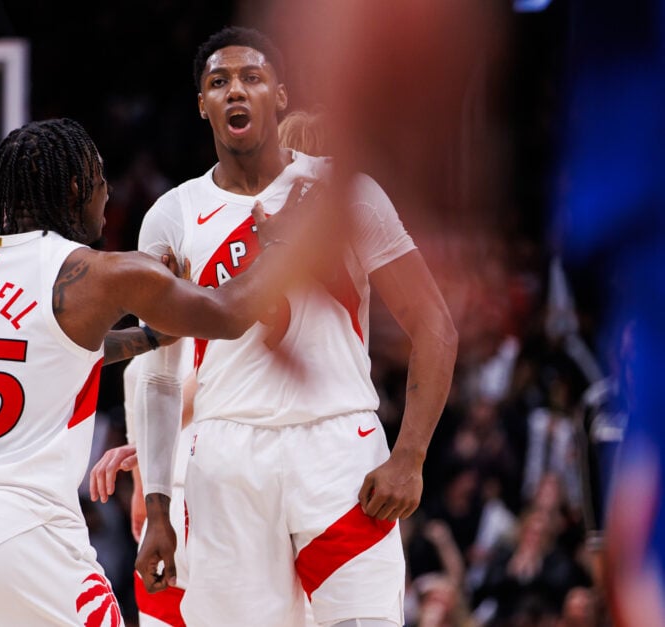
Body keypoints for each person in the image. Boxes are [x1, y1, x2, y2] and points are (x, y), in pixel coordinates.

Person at [0, 117, 325, 626]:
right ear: (75, 189)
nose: (107, 194)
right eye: (101, 179)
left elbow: (36, 350)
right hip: (15, 535)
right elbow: (228, 314)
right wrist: (285, 246)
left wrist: (148, 338)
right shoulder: (96, 273)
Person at [130, 27, 457, 627]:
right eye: (218, 82)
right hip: (225, 455)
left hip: (338, 449)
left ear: (280, 96)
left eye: (252, 78)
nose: (236, 92)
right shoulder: (172, 214)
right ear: (201, 104)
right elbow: (157, 373)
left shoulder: (346, 192)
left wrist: (410, 455)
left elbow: (434, 324)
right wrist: (158, 509)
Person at [89, 109, 331, 627]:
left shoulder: (235, 260)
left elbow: (214, 381)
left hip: (211, 484)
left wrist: (153, 457)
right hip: (236, 482)